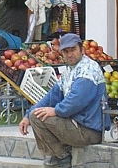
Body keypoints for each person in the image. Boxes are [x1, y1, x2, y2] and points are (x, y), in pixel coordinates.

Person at [19, 33, 110, 168]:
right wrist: (27, 115)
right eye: (66, 51)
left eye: (73, 50)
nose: (70, 54)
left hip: (89, 130)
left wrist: (56, 110)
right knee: (36, 114)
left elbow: (77, 100)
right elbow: (51, 97)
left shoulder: (88, 69)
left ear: (82, 50)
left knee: (38, 118)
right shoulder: (69, 71)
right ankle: (58, 155)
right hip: (77, 125)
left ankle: (61, 158)